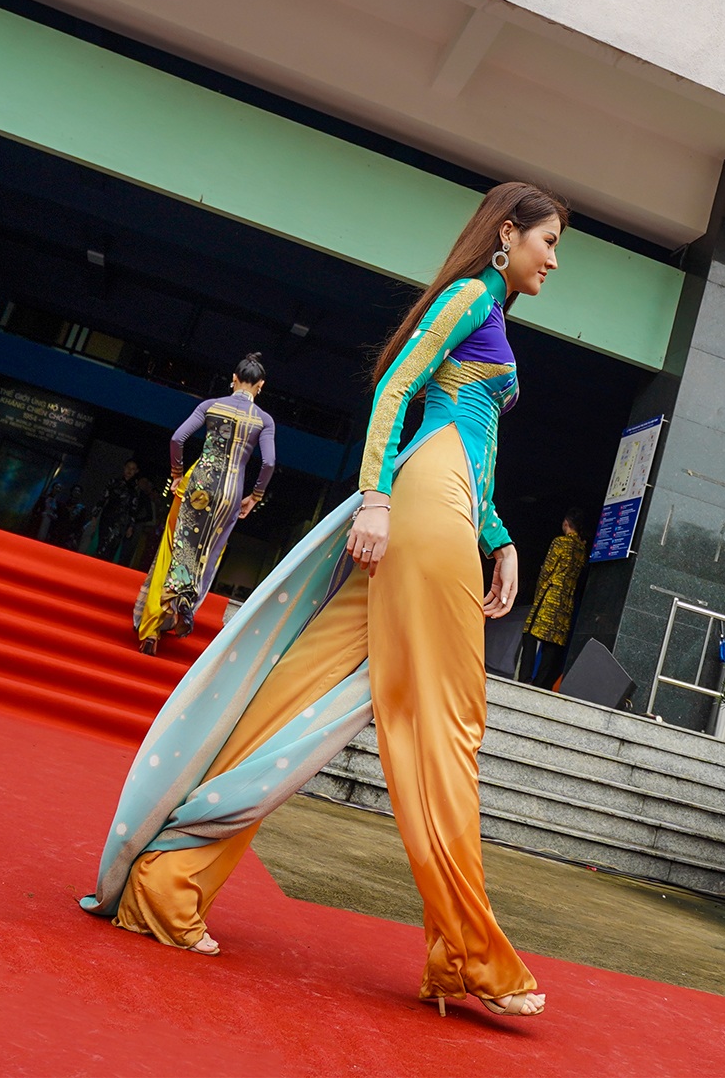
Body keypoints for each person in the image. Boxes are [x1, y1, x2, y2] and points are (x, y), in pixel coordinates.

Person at [80, 182, 565, 1019]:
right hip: (421, 505)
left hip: (445, 503)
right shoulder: (469, 296)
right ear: (506, 234)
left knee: (297, 687)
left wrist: (501, 535)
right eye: (548, 241)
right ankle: (469, 954)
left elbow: (464, 437)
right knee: (447, 725)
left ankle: (167, 882)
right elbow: (395, 393)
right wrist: (375, 500)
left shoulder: (492, 312)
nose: (553, 260)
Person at [132, 354, 279, 654]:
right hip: (231, 492)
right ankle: (184, 607)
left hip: (198, 484)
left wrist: (176, 475)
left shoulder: (211, 406)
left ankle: (152, 629)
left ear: (234, 379)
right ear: (260, 386)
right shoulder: (264, 420)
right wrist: (256, 496)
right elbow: (269, 462)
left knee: (176, 548)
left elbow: (178, 439)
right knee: (207, 554)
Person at [516, 509, 588, 690]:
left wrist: (539, 591)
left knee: (530, 634)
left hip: (550, 596)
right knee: (553, 642)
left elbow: (547, 570)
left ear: (566, 523)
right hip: (566, 600)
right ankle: (541, 682)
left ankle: (525, 678)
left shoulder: (560, 542)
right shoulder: (582, 549)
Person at [95, 459, 147, 564]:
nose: (129, 471)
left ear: (136, 471)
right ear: (124, 467)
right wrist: (95, 515)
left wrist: (131, 526)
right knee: (102, 542)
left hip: (122, 521)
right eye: (128, 468)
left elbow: (133, 508)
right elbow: (103, 498)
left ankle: (103, 569)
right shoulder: (114, 482)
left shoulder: (134, 489)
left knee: (112, 546)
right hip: (108, 517)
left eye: (133, 469)